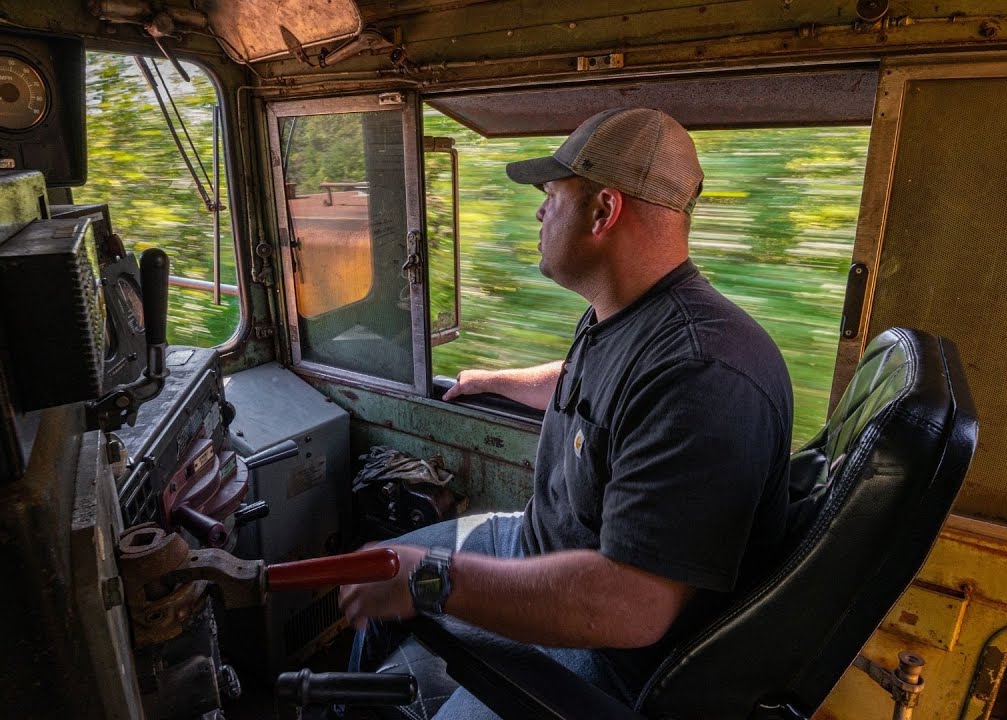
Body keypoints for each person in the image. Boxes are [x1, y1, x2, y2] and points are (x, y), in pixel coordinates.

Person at [339, 107, 794, 718]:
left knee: (404, 578)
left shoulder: (703, 372)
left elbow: (631, 605)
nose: (539, 213)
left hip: (603, 651)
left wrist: (431, 580)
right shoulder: (627, 315)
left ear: (603, 211)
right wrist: (497, 380)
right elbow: (602, 390)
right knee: (377, 571)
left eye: (551, 196)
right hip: (533, 541)